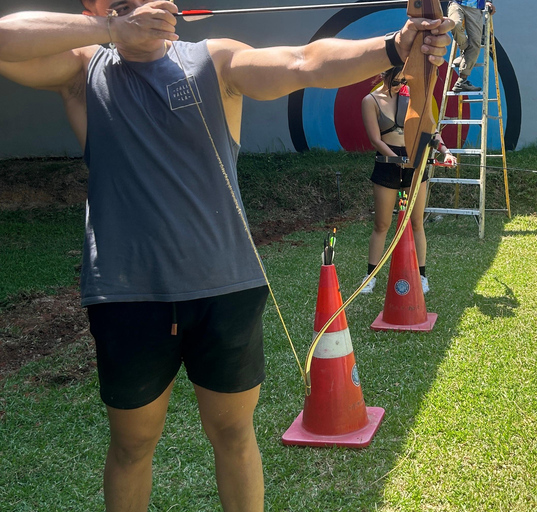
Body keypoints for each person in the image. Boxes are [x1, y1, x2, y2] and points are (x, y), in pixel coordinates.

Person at [0, 2, 453, 511]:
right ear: (94, 8)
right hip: (127, 293)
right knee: (132, 444)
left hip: (225, 286)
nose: (133, 9)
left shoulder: (214, 61)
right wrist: (108, 30)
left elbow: (306, 62)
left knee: (234, 435)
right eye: (115, 6)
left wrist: (394, 46)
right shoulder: (84, 70)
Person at [360, 65, 457, 295]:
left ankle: (421, 276)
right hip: (387, 163)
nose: (400, 85)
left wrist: (445, 152)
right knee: (382, 224)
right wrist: (396, 159)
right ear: (384, 74)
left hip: (414, 161)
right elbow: (376, 139)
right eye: (396, 81)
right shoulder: (370, 101)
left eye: (403, 80)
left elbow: (430, 130)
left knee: (416, 223)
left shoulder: (411, 94)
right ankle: (370, 276)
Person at [448, 0, 496, 93]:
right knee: (455, 24)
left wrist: (488, 1)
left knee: (475, 43)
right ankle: (465, 49)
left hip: (475, 8)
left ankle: (462, 81)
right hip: (457, 3)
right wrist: (466, 47)